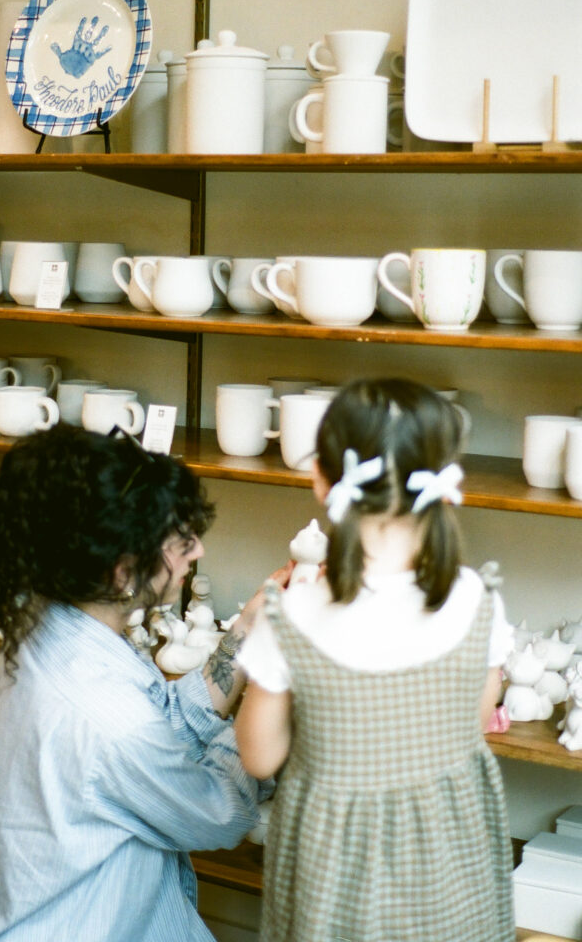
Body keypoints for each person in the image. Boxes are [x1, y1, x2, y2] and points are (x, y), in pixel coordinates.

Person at [0, 424, 286, 942]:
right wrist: (263, 690)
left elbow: (159, 721)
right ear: (123, 574)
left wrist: (243, 634)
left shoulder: (50, 628)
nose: (196, 552)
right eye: (180, 542)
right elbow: (216, 811)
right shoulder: (108, 718)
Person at [235, 377, 515, 942]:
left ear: (322, 481)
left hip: (335, 876)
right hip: (451, 868)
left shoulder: (291, 616)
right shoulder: (476, 600)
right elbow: (475, 717)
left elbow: (260, 756)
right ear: (443, 483)